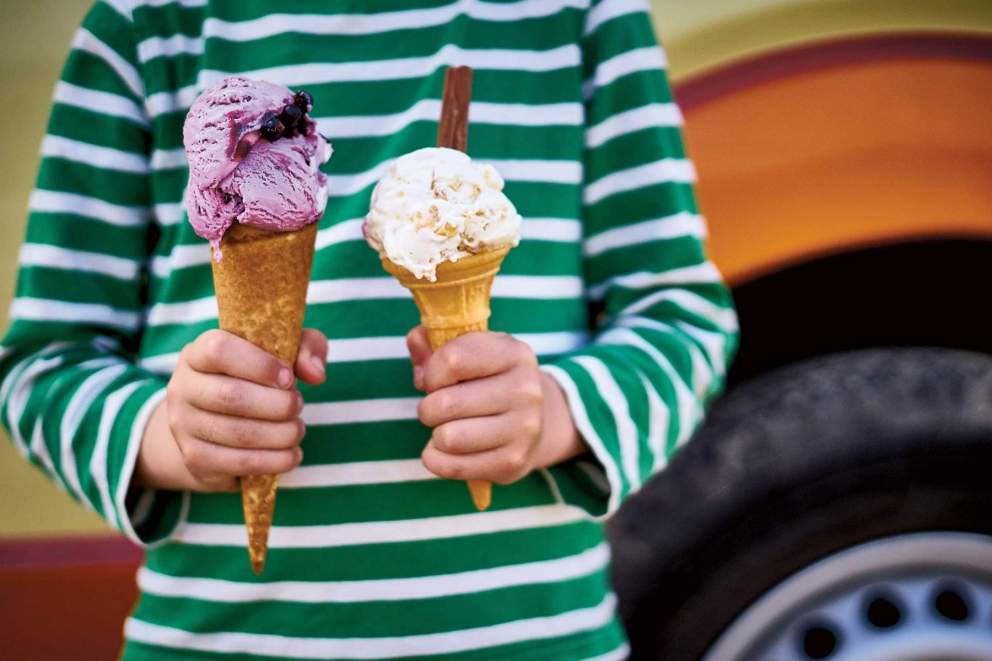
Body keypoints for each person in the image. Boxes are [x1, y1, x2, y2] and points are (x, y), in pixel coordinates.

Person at [0, 0, 739, 658]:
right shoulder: (145, 25)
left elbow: (683, 317)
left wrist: (560, 413)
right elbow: (41, 362)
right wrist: (164, 433)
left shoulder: (584, 17)